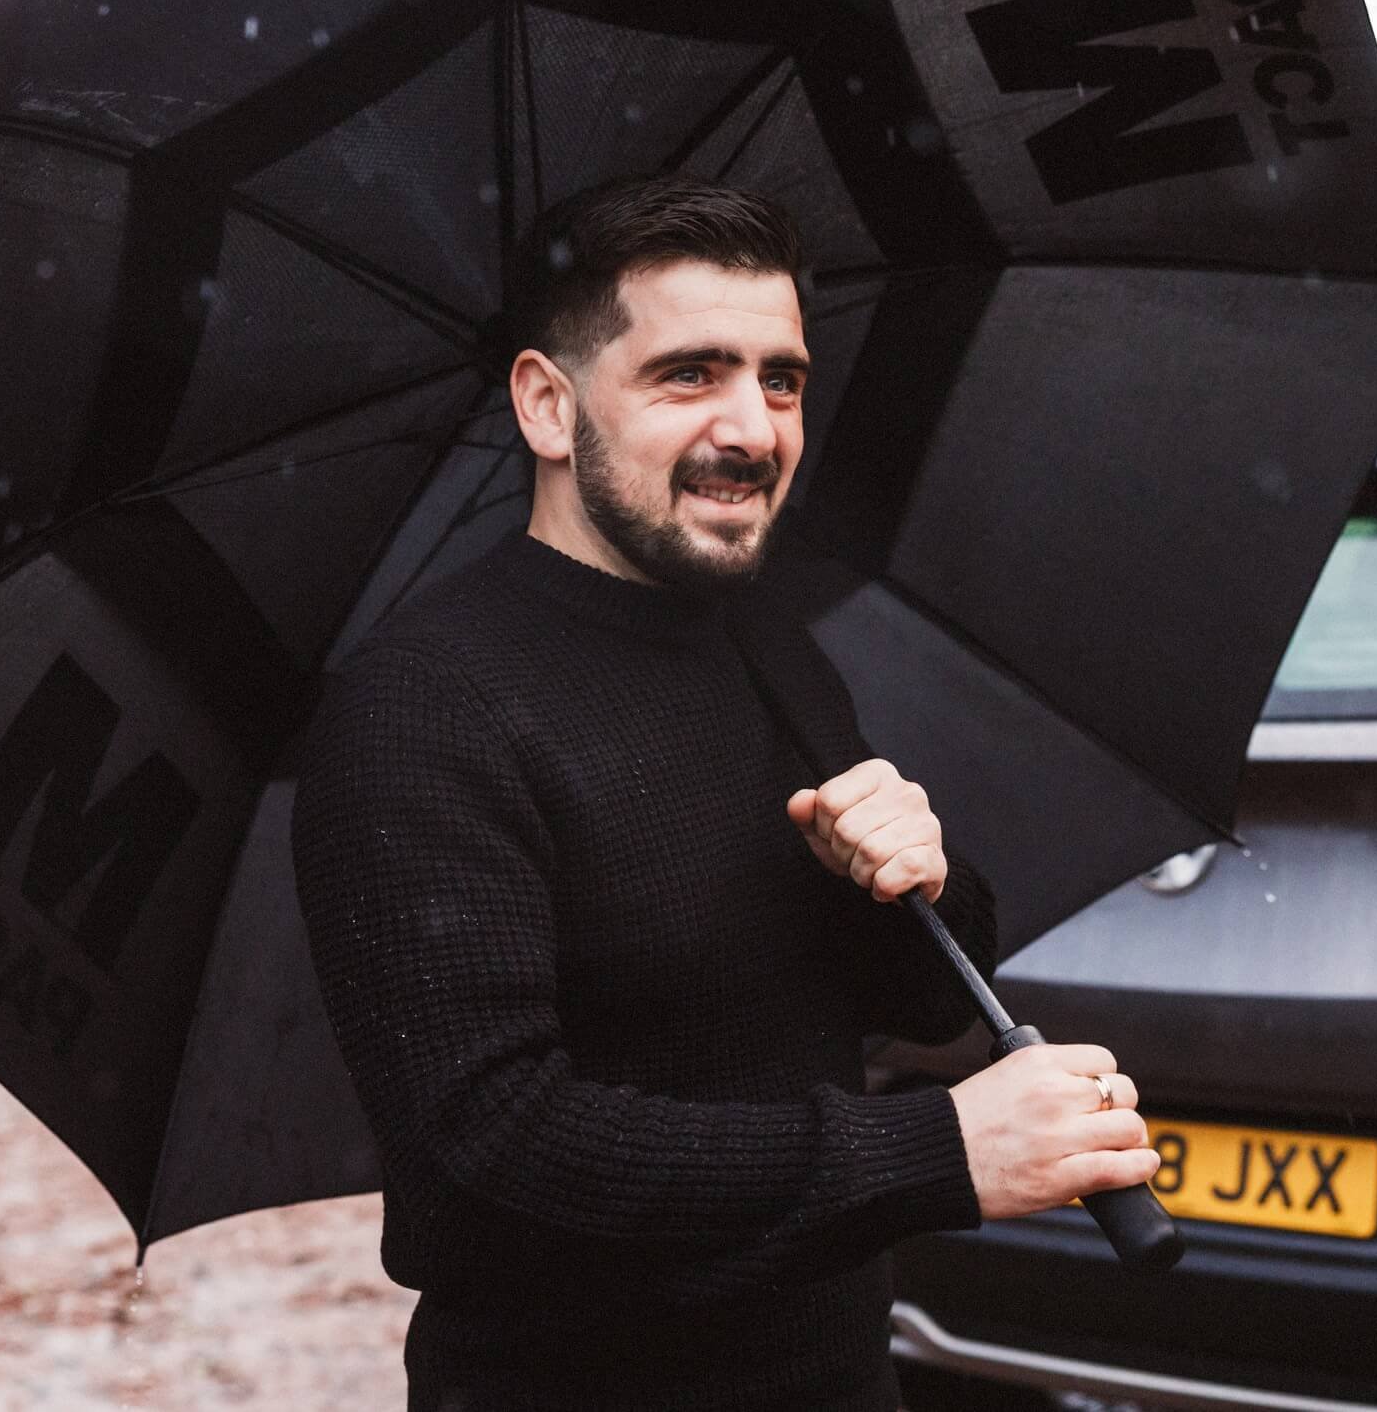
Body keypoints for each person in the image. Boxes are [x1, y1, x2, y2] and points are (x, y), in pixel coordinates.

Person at [291, 175, 1158, 1411]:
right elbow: (488, 1154)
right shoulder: (422, 706)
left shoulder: (766, 647)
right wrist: (935, 1152)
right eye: (690, 373)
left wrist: (913, 877)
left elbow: (914, 997)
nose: (754, 428)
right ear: (548, 403)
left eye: (782, 377)